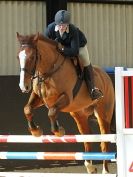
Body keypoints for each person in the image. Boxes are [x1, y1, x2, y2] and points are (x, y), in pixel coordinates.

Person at [44, 10, 103, 100]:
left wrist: (62, 48)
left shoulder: (73, 30)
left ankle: (92, 89)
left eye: (63, 25)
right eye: (59, 25)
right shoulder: (50, 29)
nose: (61, 27)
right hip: (61, 46)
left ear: (68, 24)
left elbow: (74, 51)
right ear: (56, 24)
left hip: (78, 46)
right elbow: (45, 45)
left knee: (86, 61)